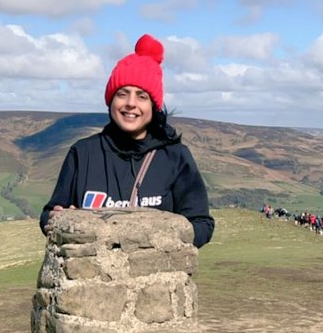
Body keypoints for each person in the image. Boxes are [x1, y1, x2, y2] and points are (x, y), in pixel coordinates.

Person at [40, 34, 215, 248]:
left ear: (153, 106)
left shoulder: (175, 157)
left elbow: (202, 225)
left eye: (142, 96)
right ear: (111, 100)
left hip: (154, 277)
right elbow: (49, 214)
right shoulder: (83, 153)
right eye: (122, 94)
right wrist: (56, 218)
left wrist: (156, 242)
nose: (130, 104)